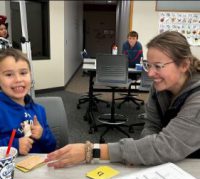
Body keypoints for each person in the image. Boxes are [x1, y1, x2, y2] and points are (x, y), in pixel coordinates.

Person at [45, 31, 200, 168]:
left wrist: (91, 151)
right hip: (170, 164)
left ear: (184, 65)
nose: (150, 74)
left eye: (158, 66)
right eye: (148, 65)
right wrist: (143, 154)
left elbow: (165, 146)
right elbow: (152, 126)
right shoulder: (159, 87)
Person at [0, 48, 56, 155]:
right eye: (9, 75)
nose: (18, 79)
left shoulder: (39, 110)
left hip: (39, 169)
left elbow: (52, 147)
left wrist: (42, 135)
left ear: (30, 75)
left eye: (23, 73)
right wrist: (14, 145)